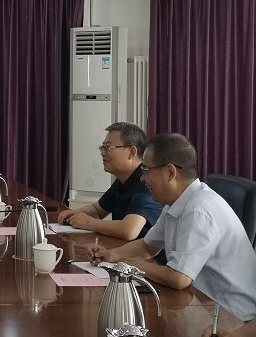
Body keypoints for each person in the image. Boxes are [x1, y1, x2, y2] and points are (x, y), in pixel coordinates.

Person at [88, 133, 256, 321]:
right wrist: (111, 255)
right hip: (201, 303)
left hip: (232, 317)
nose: (142, 178)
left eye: (146, 170)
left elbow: (179, 278)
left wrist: (137, 265)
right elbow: (147, 246)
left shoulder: (199, 209)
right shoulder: (176, 202)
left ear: (170, 172)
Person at [58, 122, 162, 240]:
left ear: (132, 152)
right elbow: (98, 210)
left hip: (146, 252)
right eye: (102, 147)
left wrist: (88, 222)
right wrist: (73, 214)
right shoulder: (122, 180)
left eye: (108, 147)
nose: (102, 153)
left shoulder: (146, 181)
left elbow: (129, 230)